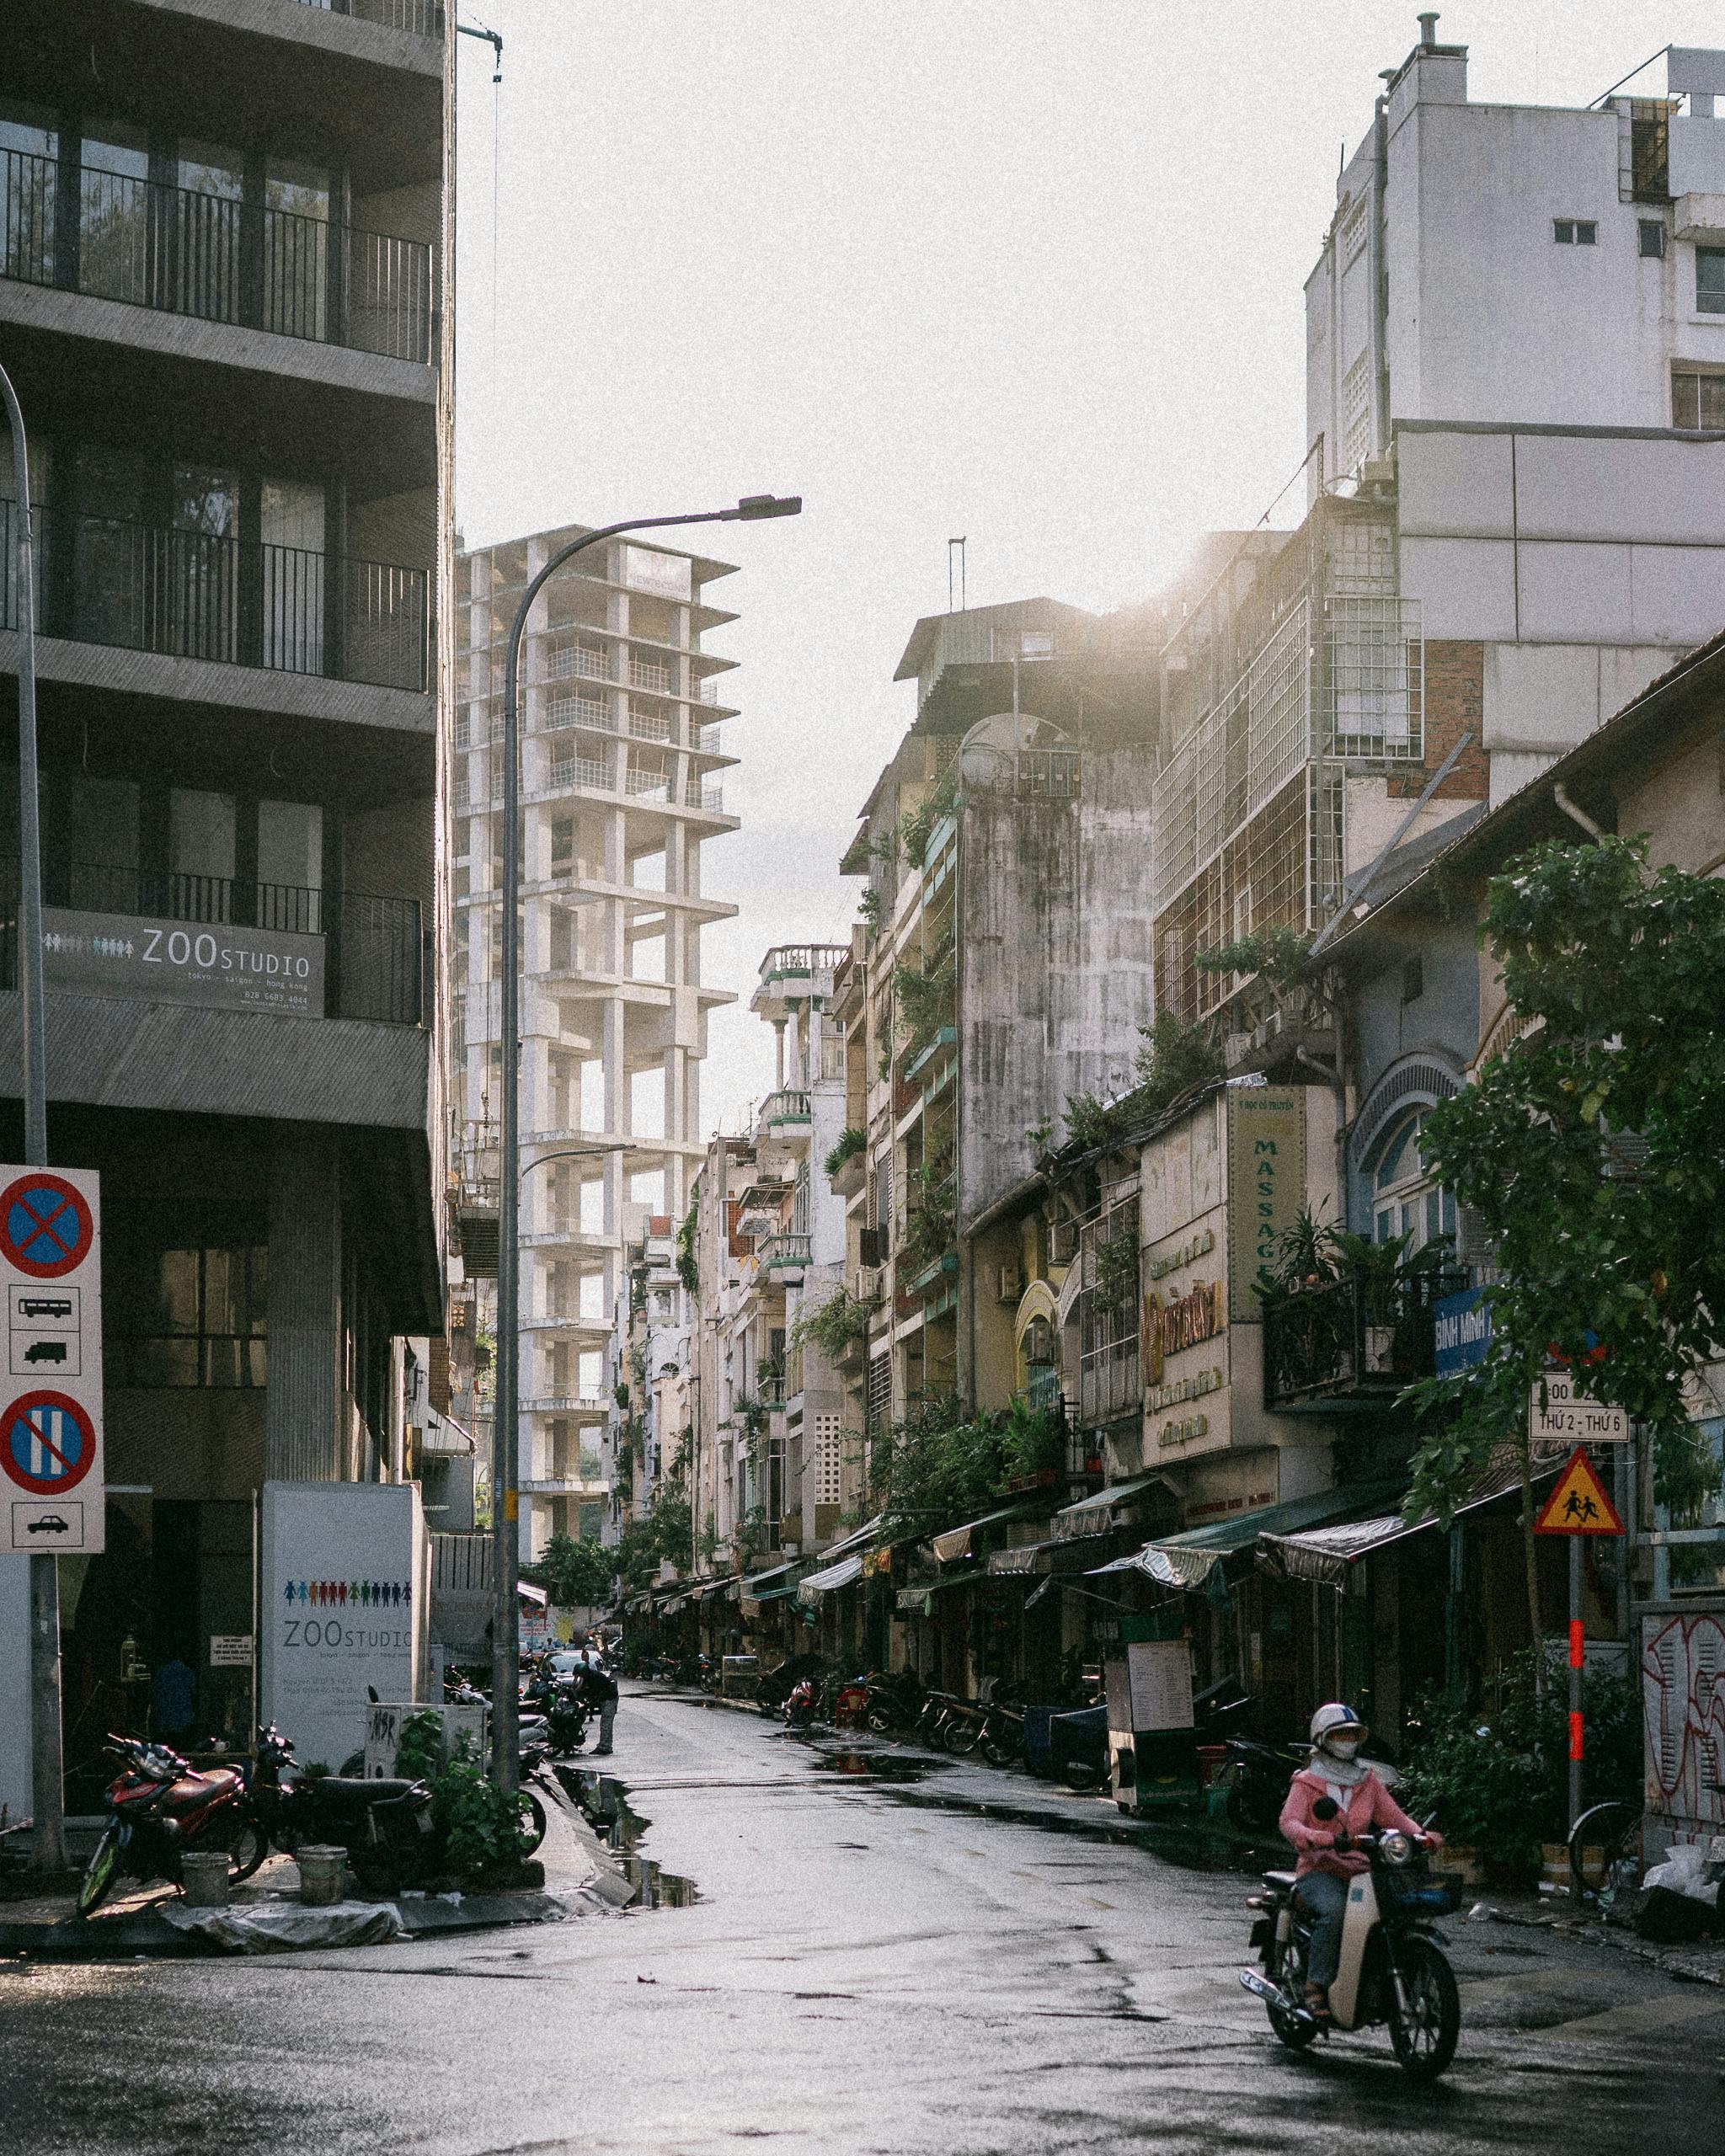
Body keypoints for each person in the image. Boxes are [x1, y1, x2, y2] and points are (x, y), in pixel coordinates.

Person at [1278, 1701, 1439, 2018]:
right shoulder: (1307, 1782)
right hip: (1320, 1870)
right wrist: (1317, 1837)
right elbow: (1289, 1822)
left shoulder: (1367, 1781)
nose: (1348, 1740)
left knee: (1391, 1914)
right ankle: (1315, 1984)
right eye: (1340, 1734)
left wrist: (1422, 1835)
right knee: (1336, 1912)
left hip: (1361, 1870)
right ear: (1323, 1739)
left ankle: (1374, 1981)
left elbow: (1394, 1817)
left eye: (1353, 1734)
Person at [571, 1654, 619, 1754]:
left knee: (606, 1724)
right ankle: (605, 1745)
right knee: (605, 1724)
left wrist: (589, 1703)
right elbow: (580, 1689)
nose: (579, 1677)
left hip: (610, 1699)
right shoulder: (588, 1677)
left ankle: (605, 1747)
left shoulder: (594, 1677)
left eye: (580, 1675)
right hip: (605, 1698)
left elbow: (595, 1694)